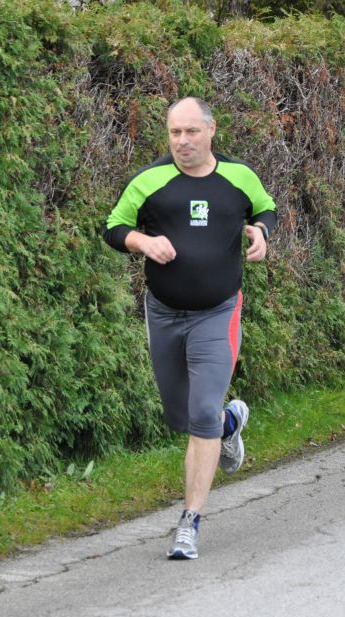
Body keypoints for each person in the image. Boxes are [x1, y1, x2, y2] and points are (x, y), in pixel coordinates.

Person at [102, 97, 277, 559]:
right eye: (175, 133)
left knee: (200, 412)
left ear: (211, 131)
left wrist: (261, 232)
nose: (182, 142)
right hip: (163, 313)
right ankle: (231, 422)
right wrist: (143, 241)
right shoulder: (150, 181)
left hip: (218, 312)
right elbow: (114, 226)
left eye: (191, 132)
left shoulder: (239, 177)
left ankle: (189, 523)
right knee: (182, 417)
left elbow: (265, 209)